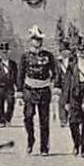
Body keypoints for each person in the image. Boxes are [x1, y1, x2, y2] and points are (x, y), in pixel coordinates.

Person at [18, 26, 59, 155]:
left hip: (44, 90)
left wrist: (56, 87)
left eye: (40, 40)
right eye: (35, 39)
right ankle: (31, 139)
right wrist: (19, 92)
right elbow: (20, 74)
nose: (37, 42)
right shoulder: (25, 56)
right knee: (28, 117)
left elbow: (56, 72)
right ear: (31, 41)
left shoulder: (48, 55)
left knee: (44, 120)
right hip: (29, 89)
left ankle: (44, 147)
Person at [60, 36, 84, 156]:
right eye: (79, 49)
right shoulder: (72, 65)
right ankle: (77, 143)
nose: (82, 52)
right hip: (75, 94)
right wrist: (65, 101)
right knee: (73, 122)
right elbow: (67, 83)